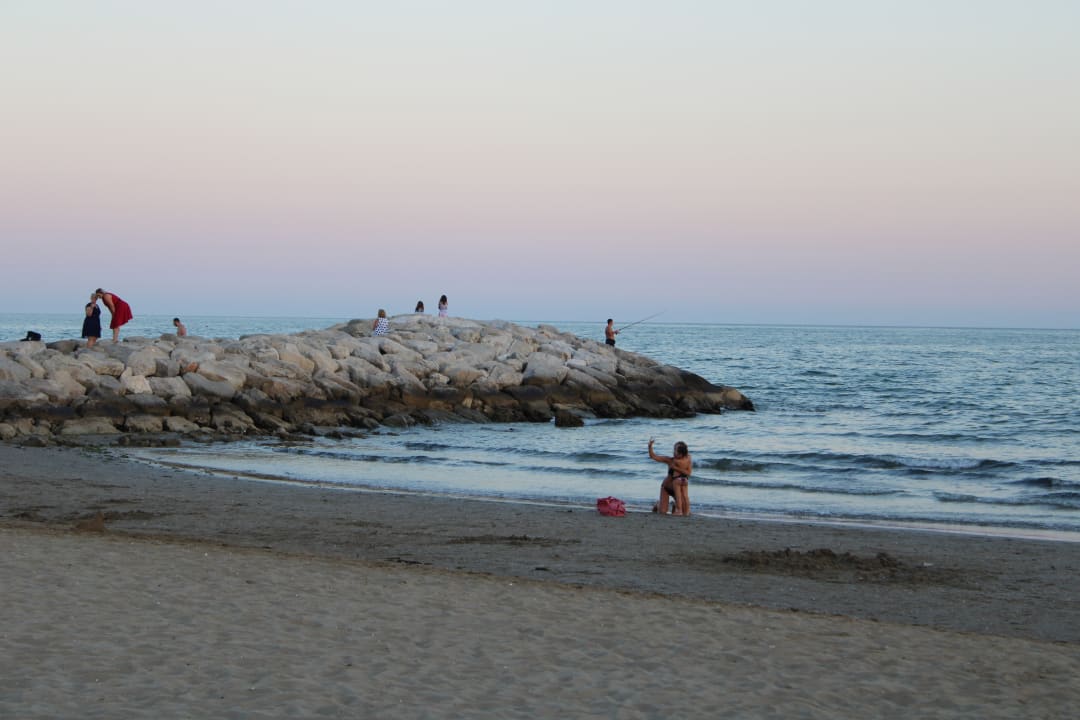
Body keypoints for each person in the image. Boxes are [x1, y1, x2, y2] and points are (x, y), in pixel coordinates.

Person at [648, 438, 692, 516]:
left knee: (685, 512)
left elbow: (688, 473)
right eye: (674, 449)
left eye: (675, 450)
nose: (673, 452)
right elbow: (653, 456)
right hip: (667, 488)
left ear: (681, 454)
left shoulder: (687, 459)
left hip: (678, 489)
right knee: (663, 512)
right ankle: (657, 504)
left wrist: (675, 468)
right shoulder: (670, 460)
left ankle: (675, 505)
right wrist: (650, 447)